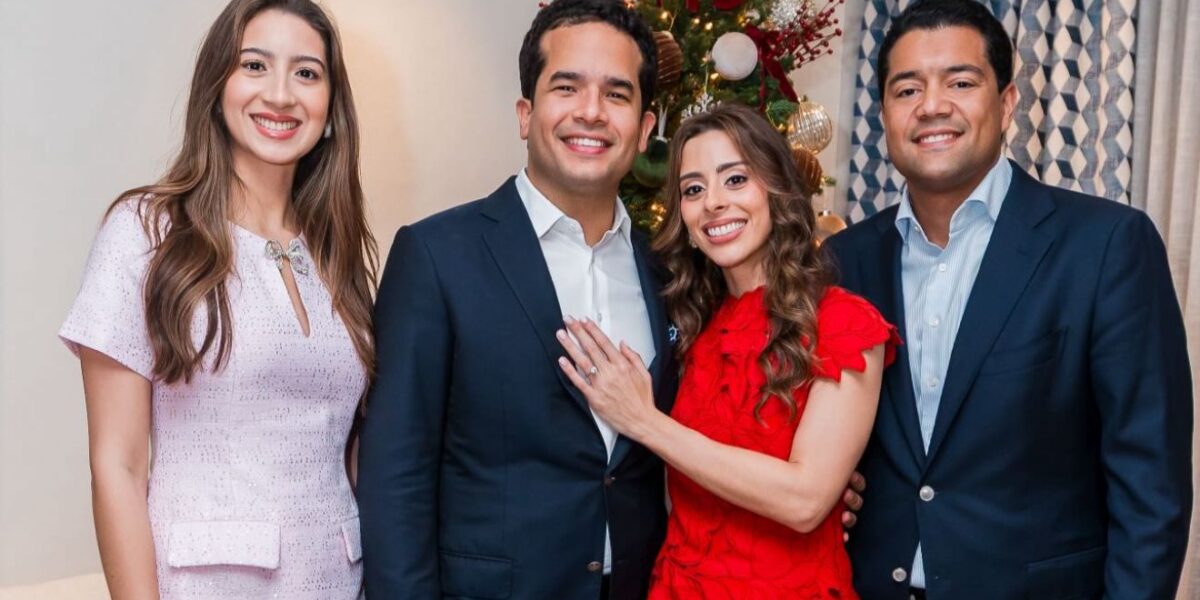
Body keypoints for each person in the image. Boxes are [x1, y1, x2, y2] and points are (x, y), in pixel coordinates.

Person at [825, 1, 1193, 598]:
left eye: (960, 82)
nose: (932, 106)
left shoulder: (1105, 246)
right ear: (884, 113)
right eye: (907, 89)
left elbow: (1150, 487)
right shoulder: (844, 261)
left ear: (1007, 103)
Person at [59, 0, 375, 597]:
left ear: (331, 104)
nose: (280, 94)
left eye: (307, 73)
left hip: (341, 582)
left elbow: (352, 451)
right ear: (217, 84)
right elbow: (118, 467)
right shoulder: (146, 232)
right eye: (254, 65)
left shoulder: (336, 252)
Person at [356, 1, 671, 598]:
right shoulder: (437, 256)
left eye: (617, 94)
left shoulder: (667, 272)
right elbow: (396, 475)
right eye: (566, 87)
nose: (591, 111)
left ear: (644, 128)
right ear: (526, 115)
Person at [556, 103, 899, 599]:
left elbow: (805, 501)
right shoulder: (690, 325)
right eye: (693, 189)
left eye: (735, 180)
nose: (713, 203)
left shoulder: (844, 322)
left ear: (775, 190)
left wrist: (645, 421)